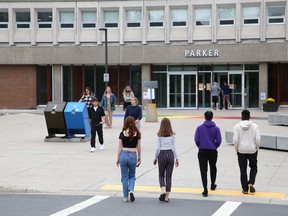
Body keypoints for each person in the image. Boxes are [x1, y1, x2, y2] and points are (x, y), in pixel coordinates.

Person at [194, 111, 222, 197]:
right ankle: (213, 184)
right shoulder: (216, 129)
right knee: (213, 166)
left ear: (204, 117)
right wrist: (214, 146)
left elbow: (196, 139)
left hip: (202, 150)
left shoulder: (199, 128)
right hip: (212, 150)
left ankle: (205, 188)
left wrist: (200, 146)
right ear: (212, 117)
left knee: (203, 169)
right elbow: (219, 141)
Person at [233, 110, 261, 194]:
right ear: (249, 117)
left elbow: (235, 140)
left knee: (243, 170)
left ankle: (245, 189)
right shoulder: (255, 126)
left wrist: (237, 149)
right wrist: (256, 148)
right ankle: (251, 182)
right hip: (252, 150)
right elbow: (258, 139)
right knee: (254, 167)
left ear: (241, 117)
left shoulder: (237, 127)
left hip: (241, 150)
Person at [153, 118, 179, 202]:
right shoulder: (173, 135)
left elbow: (157, 148)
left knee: (161, 174)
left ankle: (163, 189)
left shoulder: (159, 135)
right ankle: (167, 197)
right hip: (170, 154)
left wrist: (155, 158)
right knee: (169, 176)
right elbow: (174, 147)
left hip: (162, 154)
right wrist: (177, 158)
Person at [116, 116, 141, 202]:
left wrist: (118, 158)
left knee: (124, 177)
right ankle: (131, 189)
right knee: (132, 175)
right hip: (133, 154)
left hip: (123, 154)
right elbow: (139, 147)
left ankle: (125, 197)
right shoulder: (137, 133)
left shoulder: (122, 133)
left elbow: (119, 147)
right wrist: (139, 158)